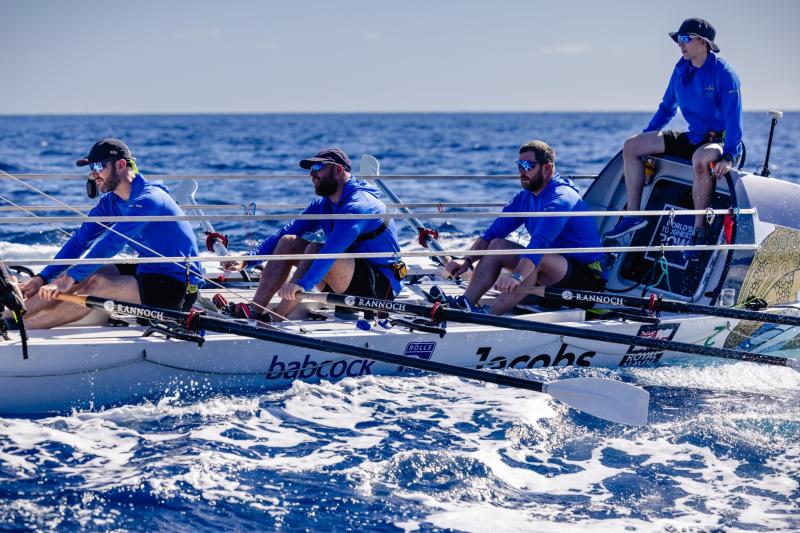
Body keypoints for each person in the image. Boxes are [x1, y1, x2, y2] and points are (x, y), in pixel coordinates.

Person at [4, 138, 204, 329]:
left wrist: (68, 280)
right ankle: (8, 316)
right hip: (150, 270)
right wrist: (43, 278)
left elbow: (112, 242)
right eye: (91, 169)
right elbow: (80, 241)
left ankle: (22, 327)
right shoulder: (112, 202)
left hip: (180, 286)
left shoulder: (150, 199)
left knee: (97, 284)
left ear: (121, 165)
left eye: (99, 167)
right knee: (87, 272)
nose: (94, 174)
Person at [603, 18, 743, 261]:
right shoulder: (681, 70)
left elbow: (733, 118)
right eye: (678, 39)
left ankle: (698, 233)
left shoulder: (725, 74)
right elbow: (667, 109)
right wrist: (647, 140)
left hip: (720, 141)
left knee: (700, 160)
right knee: (632, 145)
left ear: (703, 42)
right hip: (693, 137)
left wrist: (729, 155)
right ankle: (633, 216)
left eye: (685, 39)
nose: (680, 44)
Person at [223, 148, 405, 320]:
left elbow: (332, 249)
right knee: (288, 242)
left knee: (316, 248)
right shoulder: (324, 204)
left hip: (379, 288)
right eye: (310, 168)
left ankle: (275, 318)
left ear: (338, 169)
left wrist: (304, 284)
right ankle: (255, 310)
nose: (311, 173)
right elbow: (287, 232)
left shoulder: (359, 205)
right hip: (346, 277)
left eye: (318, 167)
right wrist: (248, 259)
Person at [443, 140, 607, 315]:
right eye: (519, 165)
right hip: (551, 266)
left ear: (547, 169)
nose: (522, 171)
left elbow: (539, 244)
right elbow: (491, 234)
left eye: (529, 165)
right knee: (497, 244)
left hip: (587, 276)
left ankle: (490, 314)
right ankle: (465, 303)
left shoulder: (562, 198)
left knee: (536, 256)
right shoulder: (523, 198)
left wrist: (516, 277)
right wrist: (467, 261)